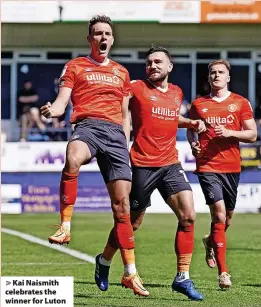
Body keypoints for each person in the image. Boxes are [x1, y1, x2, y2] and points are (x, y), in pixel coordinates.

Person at [40, 15, 149, 297]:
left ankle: (128, 272)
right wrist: (54, 110)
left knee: (123, 208)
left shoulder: (122, 72)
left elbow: (125, 114)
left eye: (107, 33)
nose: (103, 37)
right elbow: (63, 101)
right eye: (98, 33)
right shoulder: (75, 66)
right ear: (90, 38)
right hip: (88, 126)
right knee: (73, 157)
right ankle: (65, 226)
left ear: (112, 39)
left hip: (115, 135)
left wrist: (125, 142)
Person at [94, 45, 205, 301]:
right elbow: (115, 102)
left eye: (157, 62)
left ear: (169, 67)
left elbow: (169, 117)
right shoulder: (136, 87)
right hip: (142, 164)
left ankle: (182, 278)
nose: (152, 66)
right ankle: (104, 260)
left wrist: (190, 122)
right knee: (131, 223)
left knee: (188, 216)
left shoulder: (177, 92)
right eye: (149, 62)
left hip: (170, 164)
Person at [187, 59, 257, 289]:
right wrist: (194, 145)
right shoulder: (198, 104)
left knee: (226, 219)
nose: (216, 76)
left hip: (232, 167)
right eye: (213, 73)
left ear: (228, 77)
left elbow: (252, 134)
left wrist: (228, 132)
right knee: (218, 215)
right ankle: (223, 273)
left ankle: (210, 240)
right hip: (208, 166)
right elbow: (191, 130)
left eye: (220, 72)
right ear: (209, 78)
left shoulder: (240, 102)